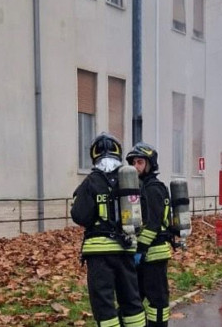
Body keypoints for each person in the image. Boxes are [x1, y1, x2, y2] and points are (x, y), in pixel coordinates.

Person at [71, 133, 146, 327]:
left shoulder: (91, 181)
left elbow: (80, 216)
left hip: (99, 253)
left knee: (104, 305)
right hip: (126, 248)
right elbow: (142, 212)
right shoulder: (130, 179)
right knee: (131, 300)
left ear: (94, 155)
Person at [126, 143, 173, 327]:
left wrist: (141, 249)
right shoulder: (140, 187)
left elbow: (153, 224)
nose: (135, 166)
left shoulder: (153, 188)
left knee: (158, 301)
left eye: (139, 162)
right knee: (135, 297)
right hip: (142, 255)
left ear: (150, 164)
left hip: (154, 254)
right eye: (133, 162)